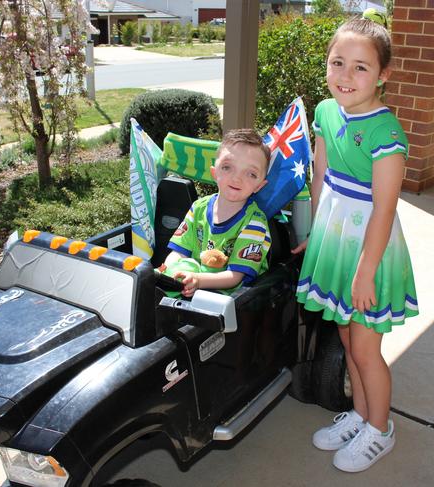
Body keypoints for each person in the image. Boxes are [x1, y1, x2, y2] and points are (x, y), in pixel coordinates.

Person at [291, 13, 419, 473]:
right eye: (337, 62)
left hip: (371, 248)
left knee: (366, 348)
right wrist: (314, 234)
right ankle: (362, 417)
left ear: (383, 75)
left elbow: (384, 209)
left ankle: (380, 429)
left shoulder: (387, 134)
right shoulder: (325, 112)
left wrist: (366, 269)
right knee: (346, 338)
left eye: (360, 67)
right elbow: (320, 176)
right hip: (336, 240)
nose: (345, 76)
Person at [163, 129, 271, 298]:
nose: (237, 178)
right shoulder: (198, 208)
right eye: (228, 167)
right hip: (191, 281)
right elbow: (179, 252)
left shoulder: (254, 223)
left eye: (251, 174)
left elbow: (234, 277)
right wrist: (169, 273)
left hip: (229, 297)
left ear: (259, 186)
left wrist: (197, 280)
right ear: (215, 173)